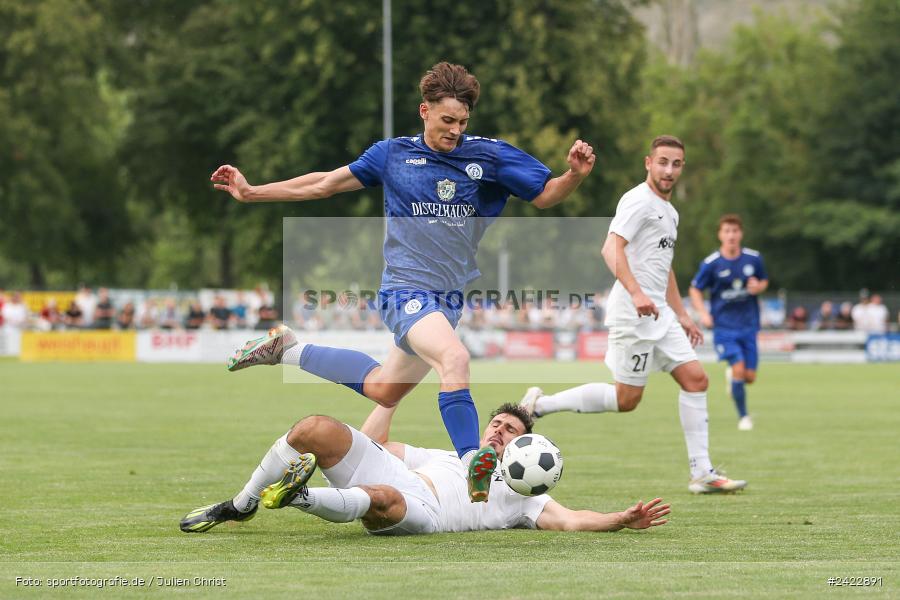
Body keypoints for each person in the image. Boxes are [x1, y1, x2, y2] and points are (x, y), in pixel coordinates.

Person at [212, 62, 595, 502]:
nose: (455, 130)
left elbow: (545, 194)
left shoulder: (489, 157)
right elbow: (323, 184)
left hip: (448, 298)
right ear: (424, 111)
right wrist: (253, 191)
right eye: (447, 120)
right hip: (405, 289)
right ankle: (472, 463)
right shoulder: (392, 155)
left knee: (384, 389)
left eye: (463, 122)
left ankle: (288, 350)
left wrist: (574, 176)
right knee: (455, 359)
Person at [519, 136, 747, 493]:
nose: (669, 170)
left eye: (676, 164)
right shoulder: (638, 200)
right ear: (648, 163)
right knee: (626, 400)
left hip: (661, 314)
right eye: (663, 162)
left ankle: (702, 472)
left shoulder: (670, 211)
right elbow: (611, 248)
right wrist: (637, 292)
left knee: (696, 380)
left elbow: (663, 268)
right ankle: (541, 405)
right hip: (633, 314)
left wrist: (683, 314)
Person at [179, 402, 669, 536]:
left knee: (383, 498)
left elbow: (571, 520)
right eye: (496, 424)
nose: (499, 432)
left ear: (524, 448)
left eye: (511, 431)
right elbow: (378, 444)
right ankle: (242, 504)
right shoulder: (447, 454)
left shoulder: (523, 493)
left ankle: (299, 496)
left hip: (426, 513)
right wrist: (390, 394)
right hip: (406, 477)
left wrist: (621, 519)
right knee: (315, 429)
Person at [687, 214, 769, 431]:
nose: (731, 235)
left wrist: (758, 287)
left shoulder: (754, 258)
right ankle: (744, 417)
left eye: (735, 231)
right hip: (724, 328)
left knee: (749, 377)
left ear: (741, 234)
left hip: (749, 325)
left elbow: (764, 281)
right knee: (740, 369)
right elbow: (695, 289)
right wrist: (703, 313)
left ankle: (733, 377)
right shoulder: (711, 263)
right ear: (720, 234)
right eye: (727, 231)